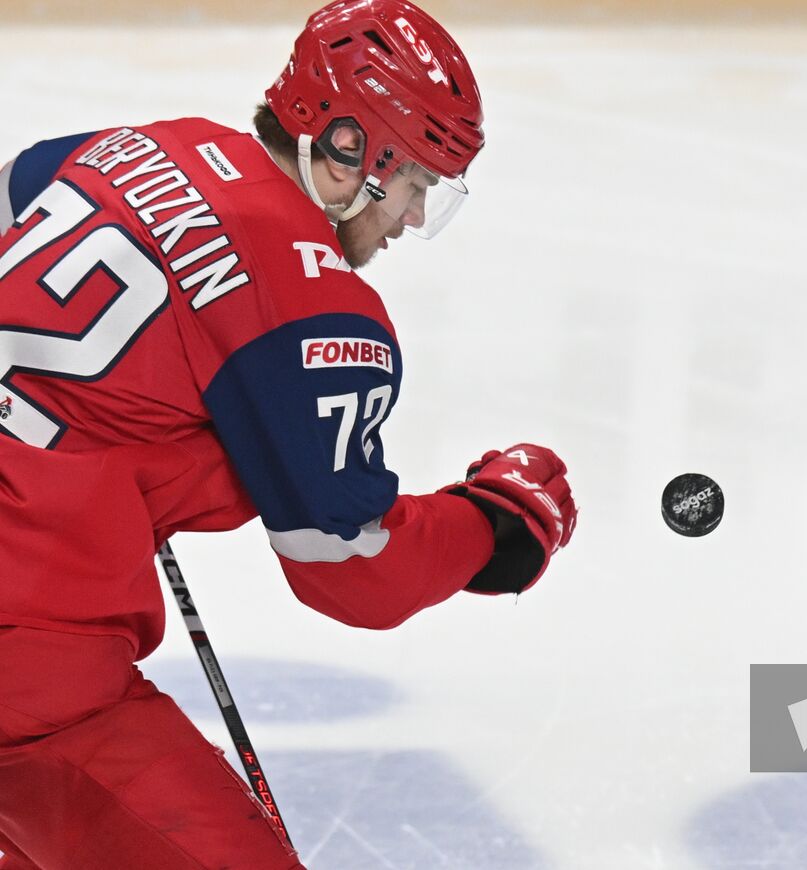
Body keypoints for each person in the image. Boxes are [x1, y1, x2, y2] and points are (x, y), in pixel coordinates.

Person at [0, 1, 576, 866]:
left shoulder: (135, 146)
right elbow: (352, 570)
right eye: (416, 182)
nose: (415, 218)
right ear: (348, 149)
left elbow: (20, 196)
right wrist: (496, 523)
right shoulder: (309, 298)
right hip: (31, 682)